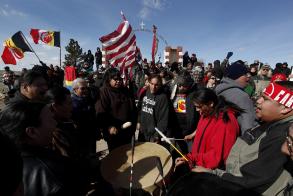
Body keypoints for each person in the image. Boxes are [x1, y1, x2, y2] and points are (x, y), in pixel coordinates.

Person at [192, 81, 293, 195]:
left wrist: (213, 174)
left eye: (265, 99)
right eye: (260, 97)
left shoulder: (283, 136)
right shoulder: (272, 124)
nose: (258, 101)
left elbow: (252, 181)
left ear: (285, 108)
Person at [0, 101, 87, 196]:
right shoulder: (54, 172)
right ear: (32, 132)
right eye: (51, 120)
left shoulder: (7, 162)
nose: (55, 123)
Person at [175, 88, 241, 171]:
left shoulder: (225, 123)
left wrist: (191, 158)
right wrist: (194, 134)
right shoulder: (207, 112)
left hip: (209, 172)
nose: (197, 110)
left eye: (199, 107)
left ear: (210, 103)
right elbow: (203, 128)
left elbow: (216, 157)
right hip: (199, 164)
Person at [96, 68, 137, 151]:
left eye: (119, 79)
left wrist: (135, 122)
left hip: (127, 131)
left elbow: (133, 108)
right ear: (108, 79)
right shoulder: (103, 92)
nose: (118, 81)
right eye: (115, 79)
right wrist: (108, 126)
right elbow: (101, 112)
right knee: (116, 158)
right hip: (114, 133)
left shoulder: (125, 90)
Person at [215, 61, 258, 134]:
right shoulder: (242, 96)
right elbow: (249, 125)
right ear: (236, 76)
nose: (248, 77)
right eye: (245, 74)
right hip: (235, 138)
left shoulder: (217, 89)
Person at [139, 74, 170, 142]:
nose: (153, 87)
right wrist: (138, 122)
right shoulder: (144, 92)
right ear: (149, 82)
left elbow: (163, 119)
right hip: (142, 132)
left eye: (156, 85)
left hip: (153, 135)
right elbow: (139, 109)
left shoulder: (163, 97)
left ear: (160, 85)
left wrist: (157, 135)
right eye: (152, 84)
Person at [71, 78, 98, 157]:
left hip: (91, 135)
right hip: (80, 138)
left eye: (87, 88)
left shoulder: (88, 99)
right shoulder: (71, 103)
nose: (86, 90)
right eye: (82, 88)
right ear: (75, 89)